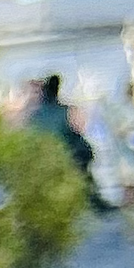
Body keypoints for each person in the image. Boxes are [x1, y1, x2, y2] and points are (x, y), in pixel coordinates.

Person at [25, 72, 100, 206]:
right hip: (68, 156)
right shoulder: (65, 111)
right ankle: (92, 199)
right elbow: (78, 132)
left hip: (46, 160)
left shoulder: (34, 116)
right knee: (84, 154)